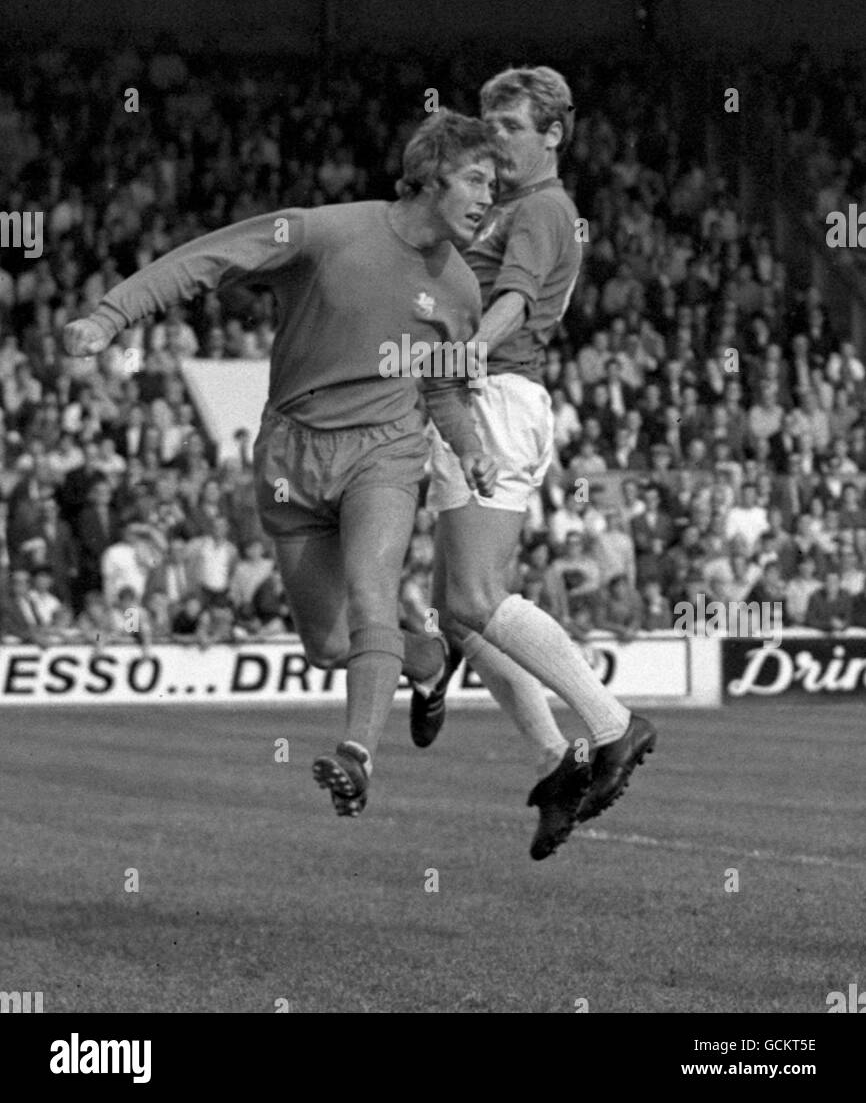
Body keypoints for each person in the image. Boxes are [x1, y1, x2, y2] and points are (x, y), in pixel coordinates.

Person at [63, 109, 500, 818]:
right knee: (329, 646)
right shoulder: (324, 232)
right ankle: (426, 661)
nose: (489, 198)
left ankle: (358, 756)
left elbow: (443, 386)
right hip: (290, 452)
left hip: (384, 452)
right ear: (429, 176)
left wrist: (471, 445)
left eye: (495, 184)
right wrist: (111, 316)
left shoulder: (461, 290)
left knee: (370, 599)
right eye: (477, 179)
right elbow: (207, 259)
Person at [412, 66, 657, 860]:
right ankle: (557, 761)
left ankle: (614, 723)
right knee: (455, 607)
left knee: (478, 594)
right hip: (478, 392)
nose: (497, 139)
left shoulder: (547, 207)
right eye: (490, 124)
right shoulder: (508, 205)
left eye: (512, 126)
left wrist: (469, 355)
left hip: (499, 395)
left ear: (554, 134)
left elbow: (514, 298)